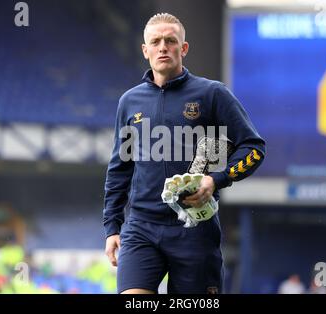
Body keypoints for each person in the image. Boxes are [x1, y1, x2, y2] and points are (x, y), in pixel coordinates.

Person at [103, 13, 266, 294]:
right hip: (142, 227)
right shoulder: (130, 102)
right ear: (145, 50)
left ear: (184, 48)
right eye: (155, 41)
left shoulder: (212, 94)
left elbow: (253, 147)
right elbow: (121, 167)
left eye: (170, 40)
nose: (162, 47)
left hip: (196, 229)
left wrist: (216, 179)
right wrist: (112, 227)